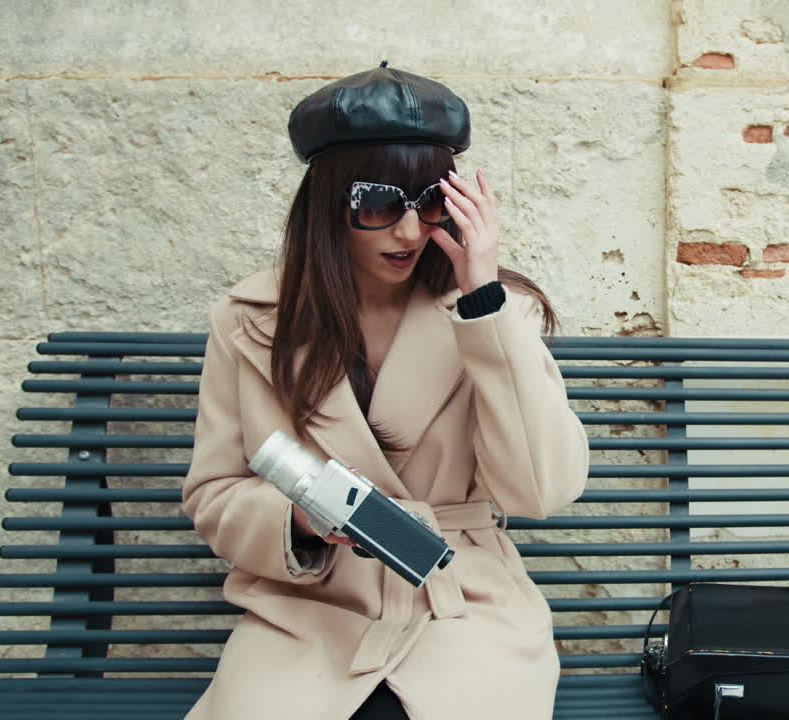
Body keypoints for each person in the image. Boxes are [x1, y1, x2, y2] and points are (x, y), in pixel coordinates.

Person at [181, 61, 591, 720]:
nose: (407, 232)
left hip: (463, 602)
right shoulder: (249, 320)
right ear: (326, 205)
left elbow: (542, 489)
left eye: (428, 202)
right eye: (376, 203)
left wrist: (482, 297)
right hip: (306, 613)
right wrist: (298, 519)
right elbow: (214, 492)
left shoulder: (489, 311)